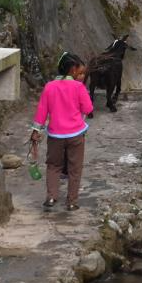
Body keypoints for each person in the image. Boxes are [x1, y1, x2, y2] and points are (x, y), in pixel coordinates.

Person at [31, 52, 93, 211]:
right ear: (73, 70)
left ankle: (51, 197)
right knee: (75, 168)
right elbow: (88, 108)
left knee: (53, 166)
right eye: (79, 71)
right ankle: (72, 202)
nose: (81, 75)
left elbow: (41, 111)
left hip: (55, 135)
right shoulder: (79, 87)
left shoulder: (49, 86)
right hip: (76, 134)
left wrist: (36, 131)